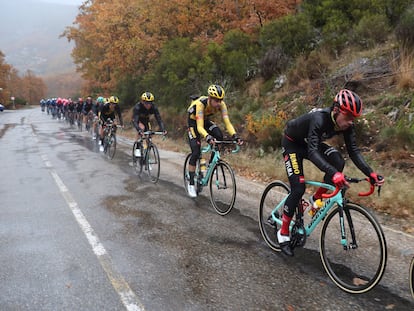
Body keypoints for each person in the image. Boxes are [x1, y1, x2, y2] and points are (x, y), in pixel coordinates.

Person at [278, 89, 385, 256]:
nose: (351, 122)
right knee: (298, 188)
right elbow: (313, 153)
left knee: (338, 161)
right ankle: (283, 232)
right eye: (348, 117)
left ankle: (316, 199)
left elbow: (354, 152)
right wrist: (333, 174)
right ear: (336, 110)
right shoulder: (319, 118)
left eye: (354, 118)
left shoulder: (347, 125)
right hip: (292, 143)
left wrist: (370, 172)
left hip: (308, 143)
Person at [186, 84, 243, 198]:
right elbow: (200, 127)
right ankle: (191, 183)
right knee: (196, 152)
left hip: (205, 120)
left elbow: (227, 122)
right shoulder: (201, 105)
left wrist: (235, 136)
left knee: (219, 135)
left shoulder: (222, 105)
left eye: (220, 100)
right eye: (216, 100)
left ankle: (211, 164)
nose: (218, 103)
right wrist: (207, 137)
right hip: (194, 123)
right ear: (210, 98)